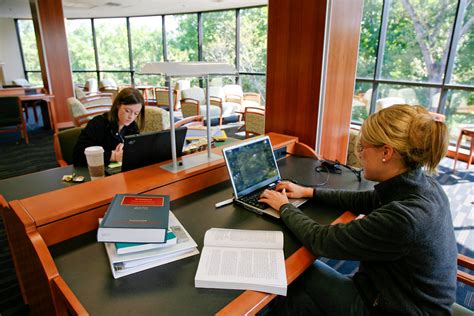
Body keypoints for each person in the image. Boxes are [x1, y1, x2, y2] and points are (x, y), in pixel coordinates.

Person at [259, 104, 457, 315]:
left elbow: (322, 240)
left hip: (394, 309)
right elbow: (368, 199)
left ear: (386, 152)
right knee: (297, 296)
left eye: (363, 147)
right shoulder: (424, 185)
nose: (360, 154)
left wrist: (284, 207)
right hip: (399, 293)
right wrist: (308, 192)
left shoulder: (406, 218)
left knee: (288, 272)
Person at [73, 87, 145, 167]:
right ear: (118, 105)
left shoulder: (132, 126)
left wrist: (128, 149)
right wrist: (113, 156)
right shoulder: (98, 124)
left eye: (136, 113)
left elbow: (136, 150)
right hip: (96, 173)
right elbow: (78, 156)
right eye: (127, 111)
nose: (131, 117)